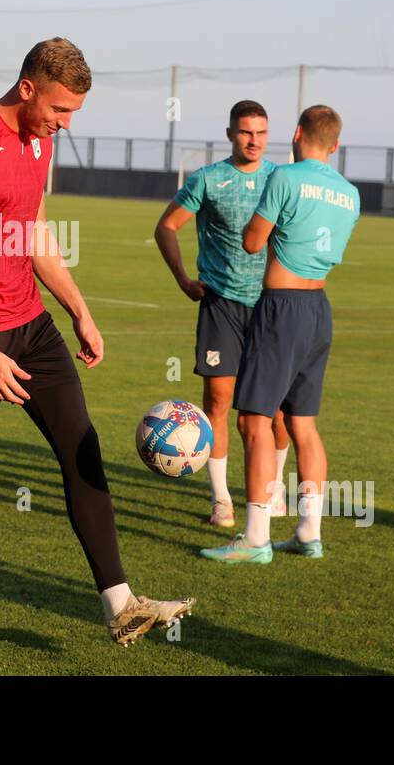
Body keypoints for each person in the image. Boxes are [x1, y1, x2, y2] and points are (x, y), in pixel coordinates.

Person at [0, 37, 194, 675]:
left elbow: (32, 229)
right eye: (60, 110)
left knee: (81, 449)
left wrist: (79, 307)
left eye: (74, 114)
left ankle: (120, 604)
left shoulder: (41, 142)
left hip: (31, 324)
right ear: (28, 87)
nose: (66, 124)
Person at [201, 105, 359, 564]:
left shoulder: (285, 179)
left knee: (253, 420)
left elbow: (253, 241)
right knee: (303, 424)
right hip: (319, 309)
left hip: (281, 309)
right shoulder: (350, 193)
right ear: (335, 146)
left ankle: (254, 538)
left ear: (295, 134)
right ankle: (309, 532)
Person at [154, 99, 290, 530]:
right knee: (219, 402)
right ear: (230, 134)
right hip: (221, 305)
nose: (254, 140)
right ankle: (222, 500)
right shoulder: (209, 179)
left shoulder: (280, 179)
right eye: (246, 132)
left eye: (262, 133)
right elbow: (166, 226)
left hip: (272, 306)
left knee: (279, 410)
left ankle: (275, 489)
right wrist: (182, 279)